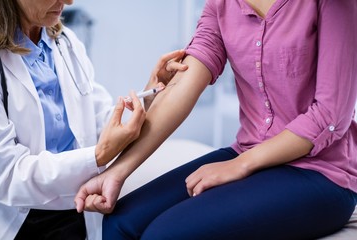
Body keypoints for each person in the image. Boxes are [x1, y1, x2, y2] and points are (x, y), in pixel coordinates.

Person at [75, 0, 357, 239]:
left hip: (320, 172)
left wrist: (240, 165)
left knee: (164, 235)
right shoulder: (221, 4)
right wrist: (117, 172)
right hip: (247, 151)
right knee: (119, 223)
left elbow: (330, 117)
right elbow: (183, 86)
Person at [0, 0, 187, 239]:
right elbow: (7, 176)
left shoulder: (66, 42)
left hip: (78, 208)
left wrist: (148, 95)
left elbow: (99, 123)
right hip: (22, 221)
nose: (69, 1)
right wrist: (98, 155)